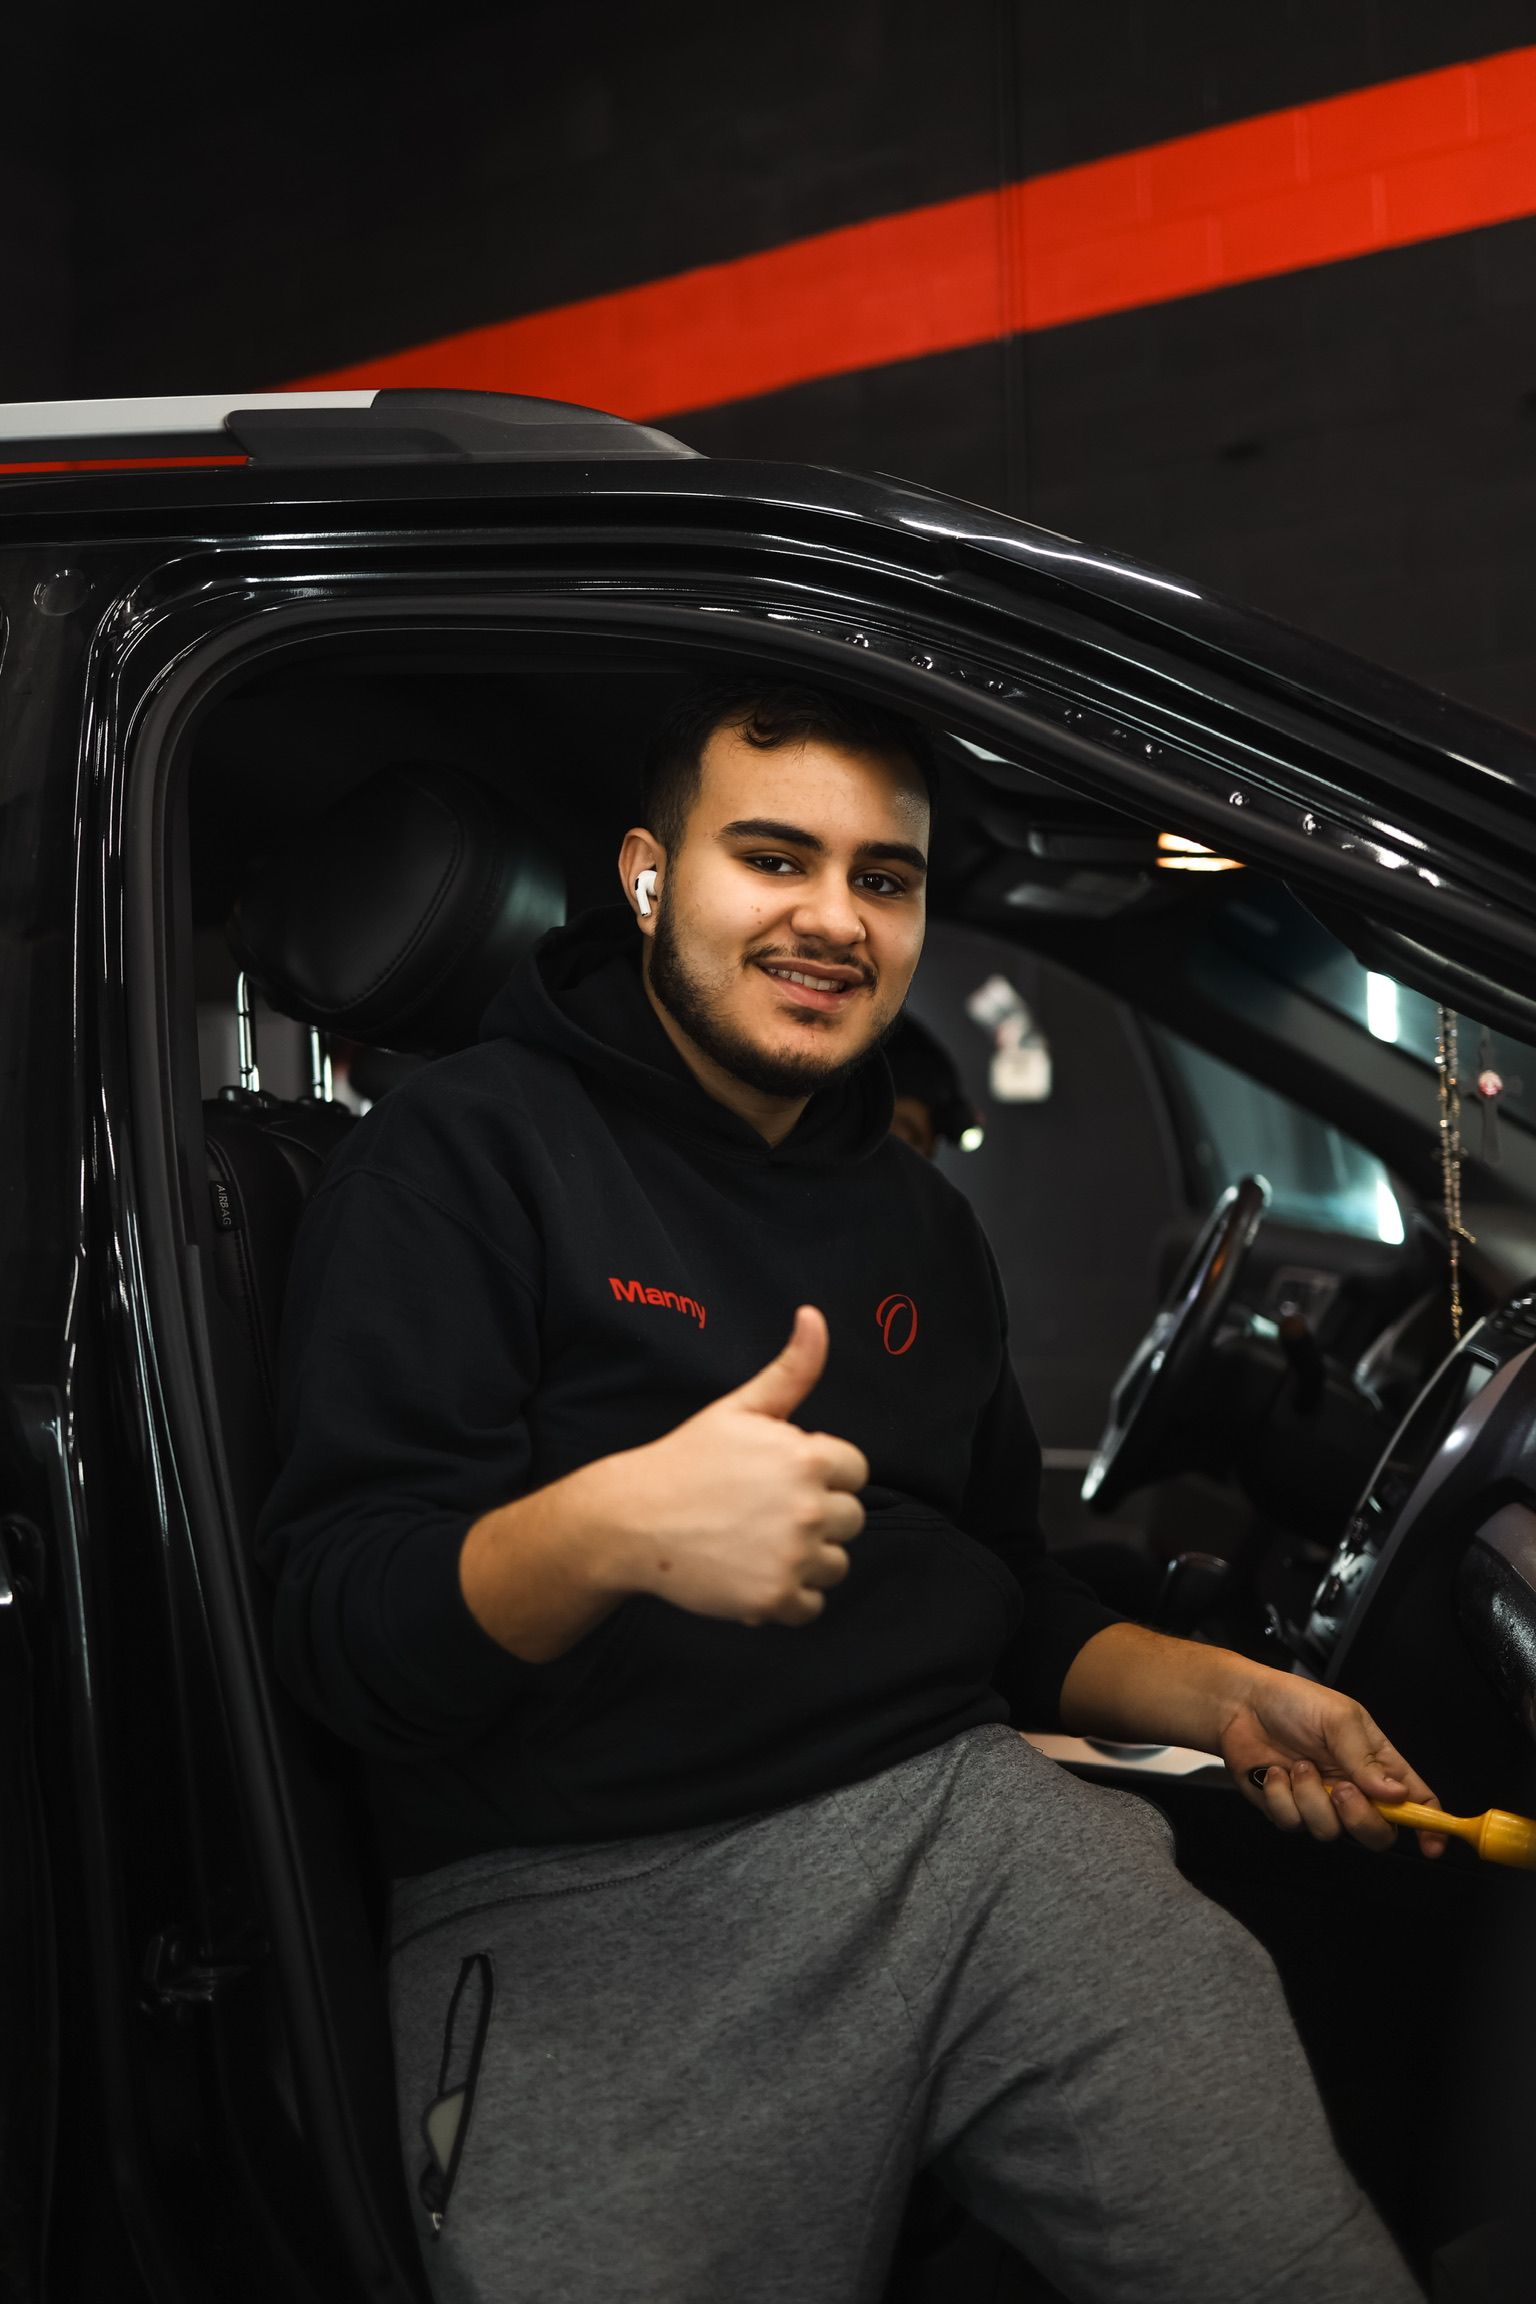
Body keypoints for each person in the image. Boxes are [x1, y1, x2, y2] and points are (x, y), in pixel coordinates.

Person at [258, 684, 1436, 2304]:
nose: (833, 919)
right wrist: (614, 1531)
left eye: (883, 877)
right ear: (650, 875)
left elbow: (1003, 1585)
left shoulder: (917, 1219)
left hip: (968, 1826)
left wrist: (1224, 1694)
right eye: (773, 858)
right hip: (586, 1897)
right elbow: (342, 1634)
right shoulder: (459, 1157)